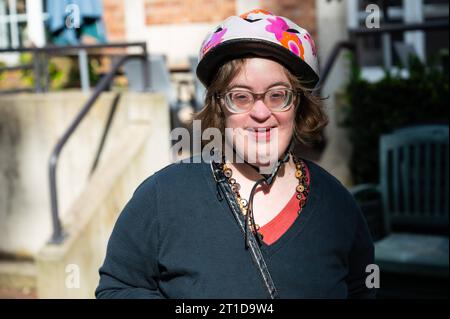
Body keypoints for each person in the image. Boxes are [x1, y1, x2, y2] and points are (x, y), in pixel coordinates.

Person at [95, 9, 375, 299]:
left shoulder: (338, 206)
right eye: (240, 96)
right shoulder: (162, 197)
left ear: (299, 105)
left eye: (278, 95)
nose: (261, 112)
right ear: (220, 106)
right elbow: (117, 289)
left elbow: (362, 289)